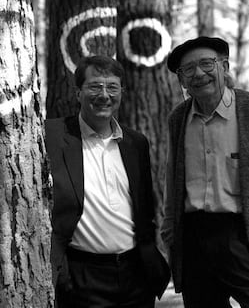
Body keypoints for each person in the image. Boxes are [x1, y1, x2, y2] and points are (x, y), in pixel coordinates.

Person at [161, 36, 249, 308]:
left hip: (243, 236)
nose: (199, 74)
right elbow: (172, 181)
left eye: (206, 64)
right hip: (194, 239)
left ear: (224, 67)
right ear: (182, 79)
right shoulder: (178, 119)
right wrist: (170, 235)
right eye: (188, 69)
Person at [45, 55, 170, 308]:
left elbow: (145, 209)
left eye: (112, 87)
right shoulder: (53, 136)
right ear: (77, 92)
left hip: (136, 275)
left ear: (122, 92)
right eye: (95, 86)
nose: (104, 95)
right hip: (81, 278)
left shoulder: (136, 143)